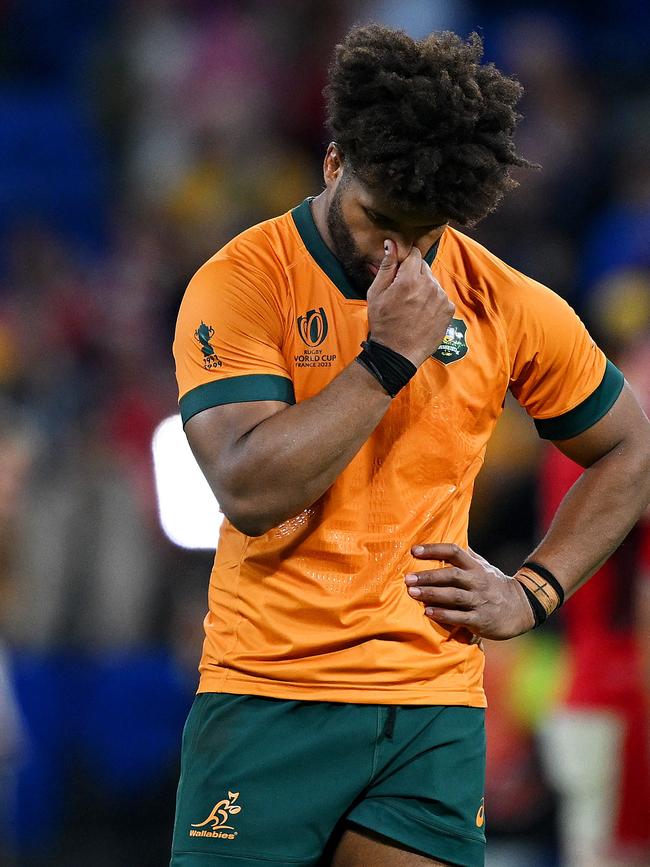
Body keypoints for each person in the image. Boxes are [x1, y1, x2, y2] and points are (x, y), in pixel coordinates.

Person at [169, 25, 650, 867]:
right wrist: (386, 357)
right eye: (377, 219)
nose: (396, 252)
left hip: (431, 707)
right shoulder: (245, 281)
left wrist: (533, 591)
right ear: (331, 165)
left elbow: (629, 449)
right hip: (270, 694)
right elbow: (247, 487)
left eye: (422, 233)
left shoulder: (503, 302)